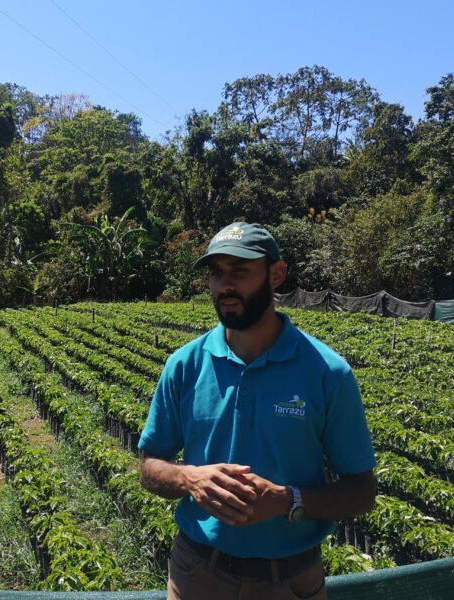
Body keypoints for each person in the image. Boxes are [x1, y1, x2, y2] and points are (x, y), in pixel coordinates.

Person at [138, 222, 377, 600]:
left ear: (276, 274)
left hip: (289, 578)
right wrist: (190, 480)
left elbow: (362, 491)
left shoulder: (327, 373)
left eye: (240, 271)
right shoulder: (184, 366)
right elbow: (150, 465)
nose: (224, 285)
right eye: (216, 273)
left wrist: (287, 501)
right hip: (198, 572)